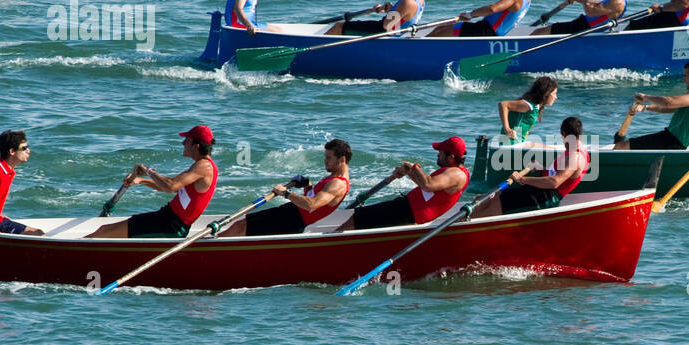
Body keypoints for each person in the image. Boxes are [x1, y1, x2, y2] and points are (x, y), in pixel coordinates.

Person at [89, 125, 219, 238]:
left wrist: (149, 170)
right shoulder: (200, 166)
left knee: (104, 231)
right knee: (105, 230)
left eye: (187, 140)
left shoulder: (204, 166)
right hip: (165, 217)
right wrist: (140, 181)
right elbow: (168, 186)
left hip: (171, 226)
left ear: (196, 146)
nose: (183, 143)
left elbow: (170, 186)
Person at [336, 137, 471, 232]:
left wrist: (413, 167)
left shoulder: (456, 174)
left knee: (359, 217)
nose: (437, 155)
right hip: (407, 209)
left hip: (409, 212)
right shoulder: (451, 172)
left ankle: (334, 240)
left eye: (440, 153)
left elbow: (428, 184)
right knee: (362, 218)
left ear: (451, 157)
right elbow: (429, 190)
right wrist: (409, 172)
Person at [220, 139, 352, 236]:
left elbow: (311, 205)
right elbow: (311, 197)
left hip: (292, 220)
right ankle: (214, 242)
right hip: (291, 212)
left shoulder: (338, 184)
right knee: (241, 224)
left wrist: (285, 193)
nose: (325, 161)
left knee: (241, 227)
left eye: (329, 157)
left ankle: (211, 246)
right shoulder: (333, 177)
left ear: (342, 159)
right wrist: (307, 185)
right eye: (325, 157)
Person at [478, 117, 590, 217]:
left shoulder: (575, 156)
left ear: (564, 134)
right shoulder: (574, 150)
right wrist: (541, 168)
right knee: (488, 198)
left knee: (493, 207)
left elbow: (555, 182)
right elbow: (559, 173)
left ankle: (464, 228)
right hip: (539, 191)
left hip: (545, 197)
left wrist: (521, 179)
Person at [614, 58, 689, 150]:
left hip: (672, 142)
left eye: (685, 76)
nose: (683, 79)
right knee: (623, 146)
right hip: (669, 138)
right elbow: (668, 108)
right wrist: (645, 108)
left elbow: (668, 103)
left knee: (621, 147)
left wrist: (646, 97)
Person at [498, 76, 558, 143]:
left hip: (517, 142)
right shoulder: (529, 105)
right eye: (554, 94)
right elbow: (503, 104)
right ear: (546, 93)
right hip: (510, 143)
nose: (556, 97)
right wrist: (507, 129)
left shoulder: (536, 107)